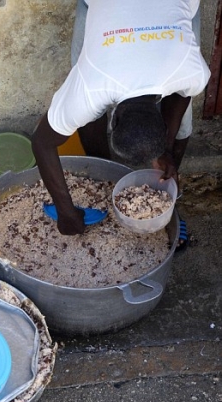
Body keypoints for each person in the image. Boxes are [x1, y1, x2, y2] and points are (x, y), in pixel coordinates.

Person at [31, 0, 211, 236]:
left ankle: (171, 201)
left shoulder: (192, 72)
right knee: (86, 106)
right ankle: (103, 178)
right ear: (112, 119)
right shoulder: (90, 87)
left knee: (184, 120)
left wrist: (166, 150)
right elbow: (41, 142)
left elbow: (181, 95)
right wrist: (65, 211)